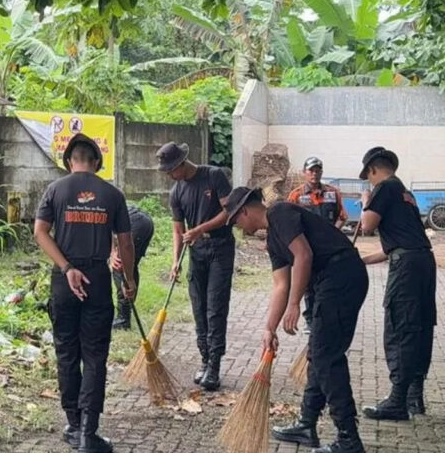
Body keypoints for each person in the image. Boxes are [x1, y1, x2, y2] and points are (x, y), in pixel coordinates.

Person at [226, 187, 367, 453]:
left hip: (341, 276)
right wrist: (269, 328)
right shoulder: (272, 241)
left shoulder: (280, 212)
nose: (237, 226)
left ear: (245, 210)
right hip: (327, 283)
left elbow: (304, 255)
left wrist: (294, 304)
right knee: (318, 354)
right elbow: (281, 284)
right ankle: (306, 424)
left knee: (327, 357)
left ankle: (349, 439)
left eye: (236, 220)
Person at [34, 133, 136, 453]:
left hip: (64, 280)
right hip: (96, 278)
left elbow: (40, 232)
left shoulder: (55, 190)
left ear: (69, 161)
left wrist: (66, 268)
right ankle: (88, 434)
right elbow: (126, 242)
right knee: (94, 355)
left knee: (66, 351)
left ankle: (73, 424)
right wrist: (128, 279)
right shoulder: (112, 194)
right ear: (96, 163)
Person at [358, 147, 436, 420]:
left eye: (368, 178)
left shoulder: (383, 187)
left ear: (372, 170)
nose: (369, 183)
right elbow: (401, 243)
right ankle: (415, 397)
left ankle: (397, 402)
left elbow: (367, 225)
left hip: (406, 268)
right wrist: (366, 261)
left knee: (400, 325)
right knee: (420, 326)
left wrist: (366, 200)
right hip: (423, 262)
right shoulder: (406, 194)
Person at [157, 141, 234, 391]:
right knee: (199, 307)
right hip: (196, 253)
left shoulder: (214, 176)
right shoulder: (176, 192)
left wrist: (200, 229)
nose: (169, 175)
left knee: (215, 307)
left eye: (171, 170)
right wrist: (175, 260)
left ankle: (215, 365)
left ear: (181, 164)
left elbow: (230, 211)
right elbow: (178, 229)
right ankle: (204, 359)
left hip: (220, 248)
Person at [286, 156, 348, 331]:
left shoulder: (333, 193)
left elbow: (342, 217)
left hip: (330, 248)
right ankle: (311, 320)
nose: (314, 174)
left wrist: (333, 233)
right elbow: (288, 220)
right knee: (308, 283)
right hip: (307, 248)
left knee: (330, 282)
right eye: (311, 170)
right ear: (305, 173)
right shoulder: (296, 195)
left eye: (317, 170)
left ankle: (328, 317)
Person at [110, 205, 154, 330]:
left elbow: (106, 231)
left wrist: (113, 253)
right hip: (145, 221)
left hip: (135, 222)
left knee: (119, 264)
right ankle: (127, 310)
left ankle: (123, 318)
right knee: (130, 265)